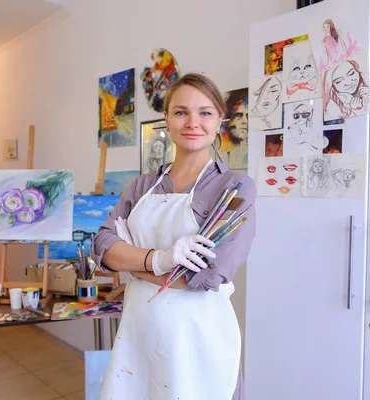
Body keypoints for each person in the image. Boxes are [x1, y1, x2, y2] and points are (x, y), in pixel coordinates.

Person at [93, 72, 256, 400]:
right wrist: (161, 260)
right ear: (166, 118)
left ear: (220, 119)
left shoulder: (235, 188)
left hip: (198, 340)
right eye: (181, 112)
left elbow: (209, 275)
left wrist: (133, 265)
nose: (193, 122)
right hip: (140, 335)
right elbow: (102, 247)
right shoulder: (142, 185)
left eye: (205, 113)